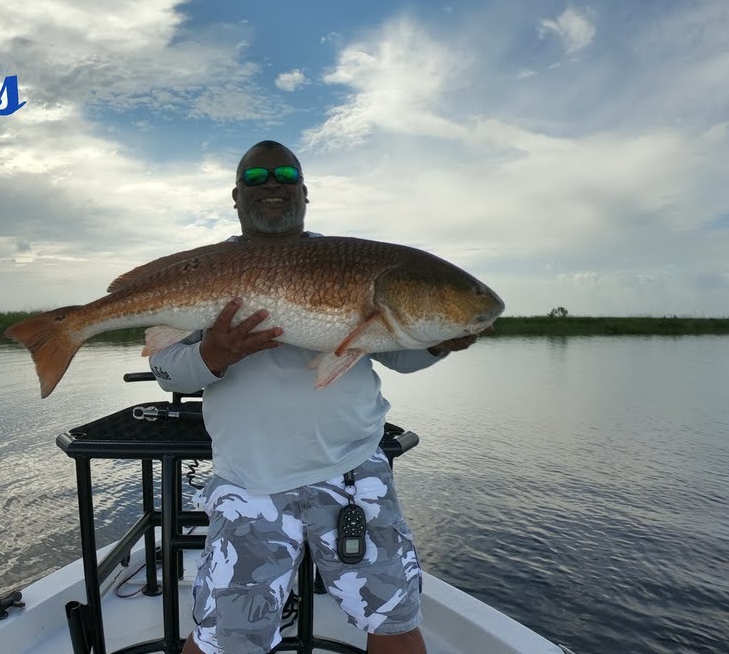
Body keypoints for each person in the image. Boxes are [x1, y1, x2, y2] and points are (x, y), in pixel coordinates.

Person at [147, 140, 485, 654]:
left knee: (393, 626)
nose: (272, 184)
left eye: (284, 174)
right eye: (256, 178)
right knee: (222, 643)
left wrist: (438, 341)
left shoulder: (350, 264)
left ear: (305, 192)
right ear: (235, 197)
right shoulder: (205, 271)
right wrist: (214, 354)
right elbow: (169, 373)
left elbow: (402, 357)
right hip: (247, 481)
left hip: (352, 471)